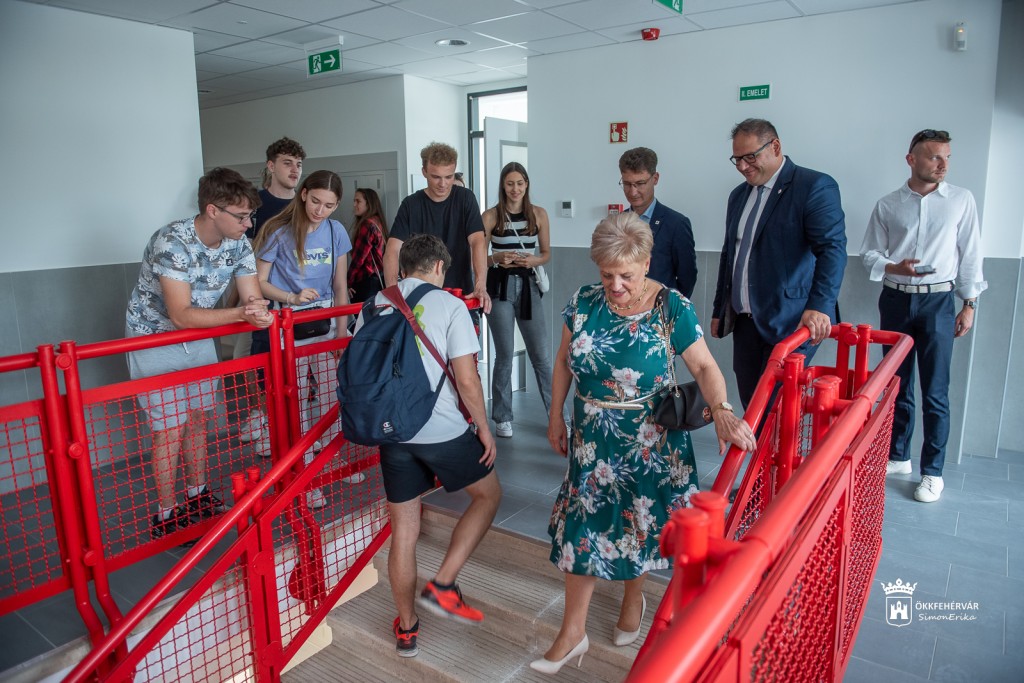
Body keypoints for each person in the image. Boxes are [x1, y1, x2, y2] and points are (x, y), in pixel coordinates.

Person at [532, 213, 755, 674]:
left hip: (650, 442)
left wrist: (723, 410)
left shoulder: (672, 307)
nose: (615, 285)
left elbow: (705, 367)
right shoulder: (583, 302)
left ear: (646, 263)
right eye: (606, 274)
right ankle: (572, 633)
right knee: (583, 530)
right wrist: (555, 416)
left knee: (639, 525)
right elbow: (563, 363)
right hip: (592, 442)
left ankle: (634, 598)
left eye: (626, 275)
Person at [359, 235, 501, 658]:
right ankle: (443, 583)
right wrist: (483, 427)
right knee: (488, 496)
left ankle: (407, 629)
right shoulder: (450, 306)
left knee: (403, 532)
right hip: (441, 430)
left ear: (403, 268)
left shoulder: (373, 304)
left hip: (392, 431)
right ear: (439, 266)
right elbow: (467, 380)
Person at [125, 167, 273, 540]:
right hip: (154, 339)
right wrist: (241, 314)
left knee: (199, 418)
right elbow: (180, 315)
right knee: (169, 429)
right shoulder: (171, 242)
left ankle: (197, 495)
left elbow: (251, 294)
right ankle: (166, 514)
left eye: (250, 216)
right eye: (241, 217)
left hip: (200, 335)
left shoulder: (239, 243)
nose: (248, 224)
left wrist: (258, 310)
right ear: (212, 210)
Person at [860, 129, 986, 503]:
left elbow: (971, 254)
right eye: (934, 157)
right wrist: (894, 266)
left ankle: (932, 472)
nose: (943, 164)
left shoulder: (961, 200)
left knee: (935, 390)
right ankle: (899, 456)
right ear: (911, 159)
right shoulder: (888, 204)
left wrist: (969, 304)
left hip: (939, 302)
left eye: (947, 157)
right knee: (896, 384)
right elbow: (869, 254)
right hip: (895, 300)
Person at [711, 118, 847, 408]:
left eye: (750, 157)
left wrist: (820, 306)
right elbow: (730, 254)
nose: (742, 166)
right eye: (737, 159)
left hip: (791, 320)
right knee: (752, 404)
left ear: (775, 146)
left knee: (773, 407)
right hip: (746, 322)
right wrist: (719, 309)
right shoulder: (738, 196)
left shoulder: (813, 186)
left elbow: (832, 250)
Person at [250, 170, 354, 505]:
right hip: (288, 324)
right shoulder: (278, 231)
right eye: (316, 201)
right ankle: (305, 475)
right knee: (295, 403)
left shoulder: (336, 232)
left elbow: (340, 285)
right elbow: (259, 282)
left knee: (332, 397)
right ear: (304, 194)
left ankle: (334, 461)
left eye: (329, 205)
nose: (320, 211)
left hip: (326, 323)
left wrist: (342, 333)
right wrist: (290, 297)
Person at [235, 136, 307, 445]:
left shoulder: (304, 205)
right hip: (257, 294)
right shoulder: (256, 205)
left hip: (295, 300)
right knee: (250, 357)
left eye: (298, 164)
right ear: (271, 166)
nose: (294, 170)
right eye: (287, 163)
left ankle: (287, 427)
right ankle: (260, 415)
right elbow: (243, 253)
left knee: (292, 364)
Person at [483, 162, 554, 439]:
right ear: (503, 185)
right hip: (498, 287)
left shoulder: (539, 214)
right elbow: (478, 259)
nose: (515, 189)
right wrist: (496, 258)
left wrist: (533, 260)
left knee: (542, 357)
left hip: (528, 287)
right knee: (504, 354)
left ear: (527, 185)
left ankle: (557, 417)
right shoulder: (491, 216)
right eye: (510, 183)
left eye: (520, 183)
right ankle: (502, 417)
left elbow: (545, 253)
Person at [384, 142, 492, 314]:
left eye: (449, 177)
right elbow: (392, 249)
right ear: (424, 172)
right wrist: (392, 291)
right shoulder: (411, 204)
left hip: (460, 294)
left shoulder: (465, 198)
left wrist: (480, 285)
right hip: (420, 297)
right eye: (436, 177)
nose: (443, 183)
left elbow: (478, 241)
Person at [618, 147, 697, 298]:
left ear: (655, 179)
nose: (633, 192)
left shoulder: (676, 224)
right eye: (627, 184)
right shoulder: (617, 223)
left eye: (640, 183)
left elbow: (687, 277)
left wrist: (673, 307)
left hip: (659, 307)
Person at [348, 187, 388, 305]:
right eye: (354, 201)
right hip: (378, 280)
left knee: (361, 314)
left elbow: (358, 259)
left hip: (366, 282)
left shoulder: (367, 225)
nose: (354, 205)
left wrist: (347, 283)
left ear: (369, 203)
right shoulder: (378, 221)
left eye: (358, 201)